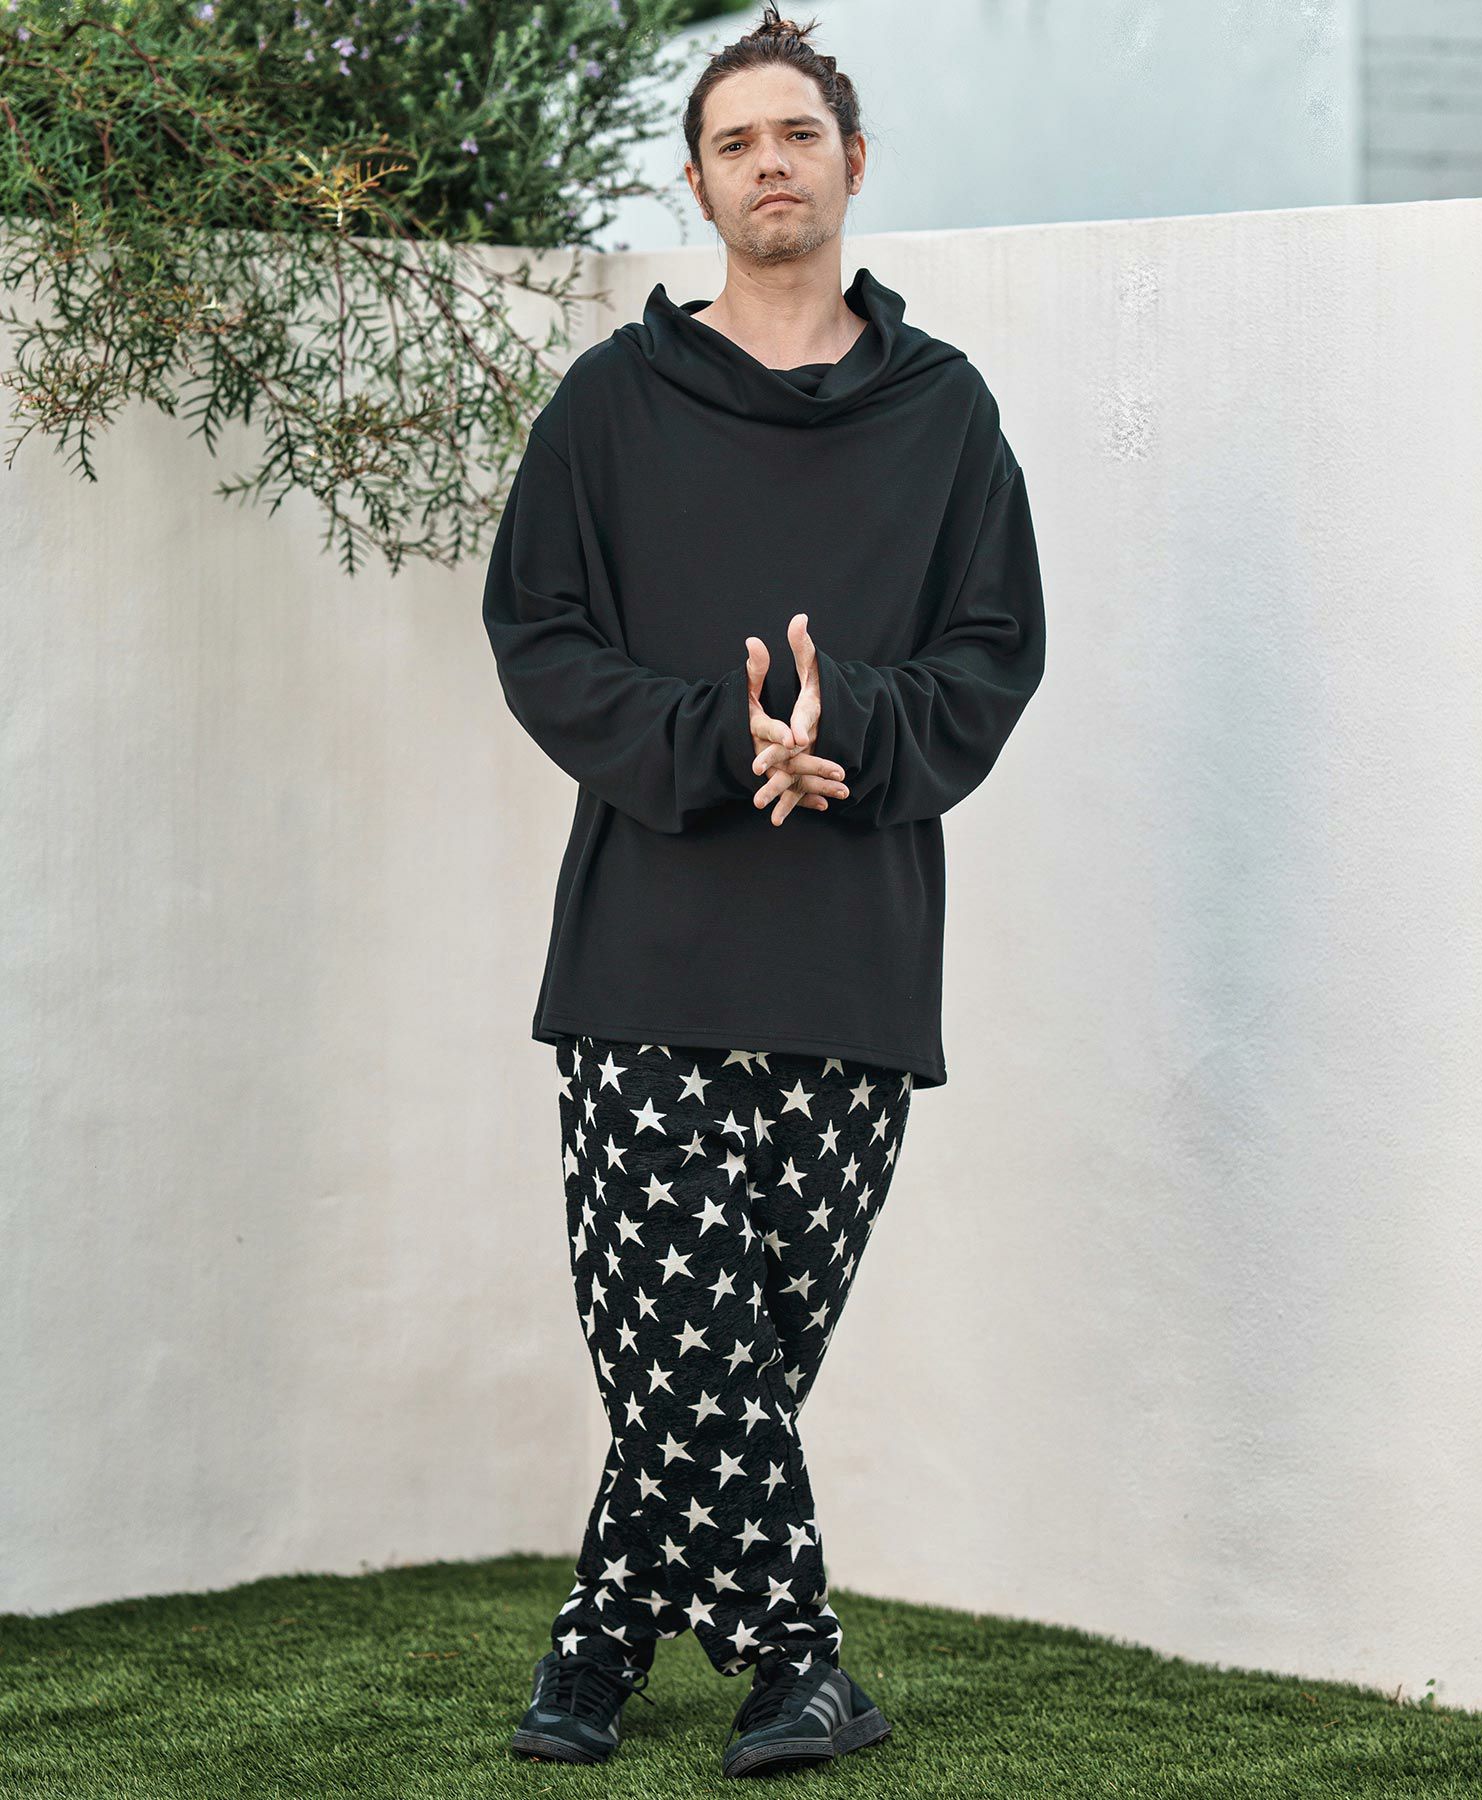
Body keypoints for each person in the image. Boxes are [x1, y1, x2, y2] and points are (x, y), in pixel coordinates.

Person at [482, 3, 1045, 1779]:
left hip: (852, 960)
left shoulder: (946, 414)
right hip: (644, 948)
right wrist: (722, 743)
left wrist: (840, 727)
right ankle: (803, 1666)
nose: (770, 164)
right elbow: (537, 636)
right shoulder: (611, 403)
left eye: (798, 133)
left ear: (851, 161)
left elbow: (995, 656)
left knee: (734, 1357)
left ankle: (596, 1644)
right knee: (676, 1335)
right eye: (736, 142)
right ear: (698, 181)